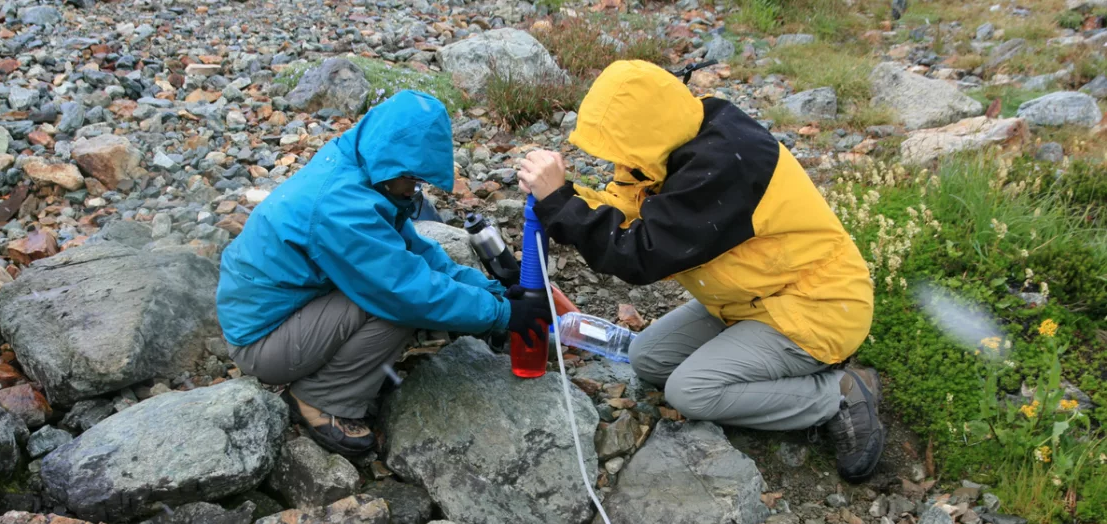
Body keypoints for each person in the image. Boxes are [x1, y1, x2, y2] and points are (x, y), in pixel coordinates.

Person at [516, 60, 884, 482]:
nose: (617, 160)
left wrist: (560, 202)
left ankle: (837, 394)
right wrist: (565, 197)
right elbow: (627, 207)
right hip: (746, 300)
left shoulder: (725, 165)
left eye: (620, 146)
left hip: (814, 307)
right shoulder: (668, 142)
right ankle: (774, 369)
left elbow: (641, 253)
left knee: (692, 392)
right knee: (647, 358)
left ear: (648, 127)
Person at [216, 90, 550, 456]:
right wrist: (502, 315)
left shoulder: (362, 167)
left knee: (404, 289)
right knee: (395, 308)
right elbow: (406, 291)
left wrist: (493, 291)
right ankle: (318, 399)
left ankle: (341, 373)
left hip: (283, 311)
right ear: (392, 164)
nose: (416, 189)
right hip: (261, 342)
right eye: (412, 178)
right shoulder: (341, 207)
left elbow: (416, 253)